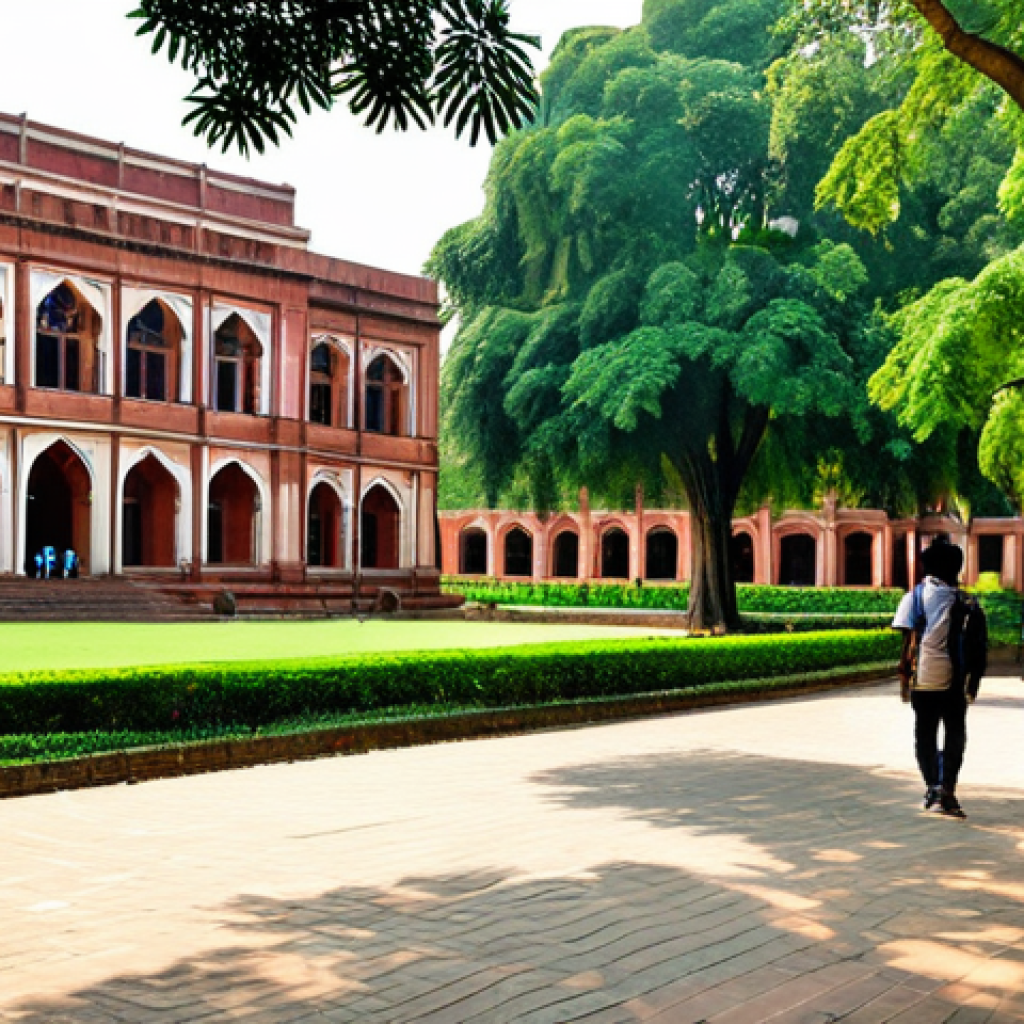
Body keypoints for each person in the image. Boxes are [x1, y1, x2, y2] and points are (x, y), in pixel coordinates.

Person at [894, 537, 969, 818]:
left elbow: (905, 640)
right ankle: (946, 787)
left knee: (925, 735)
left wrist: (904, 677)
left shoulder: (912, 597)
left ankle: (933, 786)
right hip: (954, 681)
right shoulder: (966, 601)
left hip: (922, 679)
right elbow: (976, 646)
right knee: (955, 735)